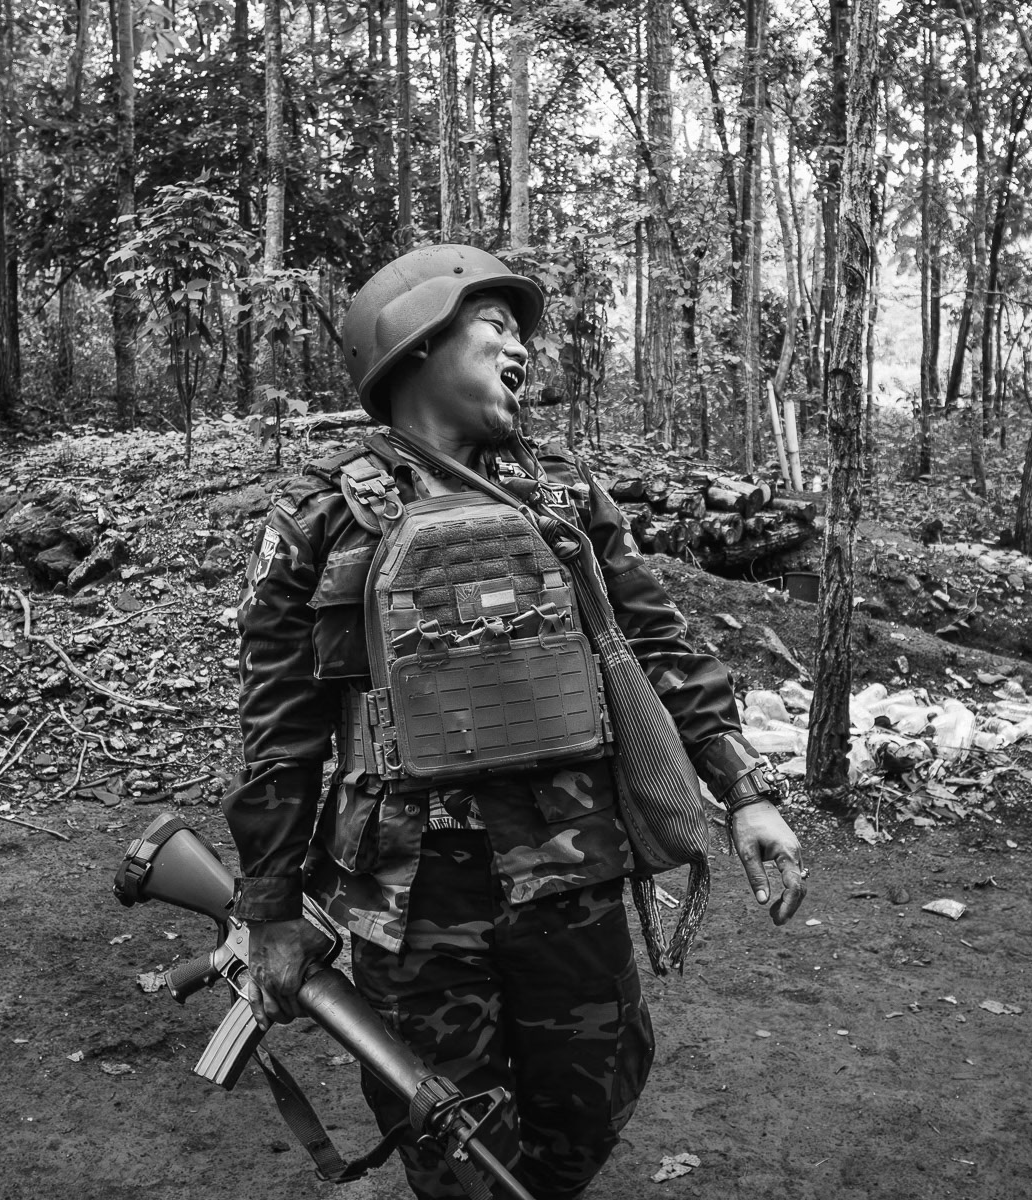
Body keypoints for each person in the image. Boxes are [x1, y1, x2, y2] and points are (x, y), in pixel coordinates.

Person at [226, 244, 806, 1199]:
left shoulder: (565, 498)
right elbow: (279, 733)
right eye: (493, 325)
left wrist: (743, 791)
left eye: (519, 332)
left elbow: (658, 645)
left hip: (571, 871)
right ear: (413, 344)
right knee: (453, 1142)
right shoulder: (318, 519)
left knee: (592, 1096)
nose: (520, 348)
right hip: (407, 901)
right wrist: (271, 909)